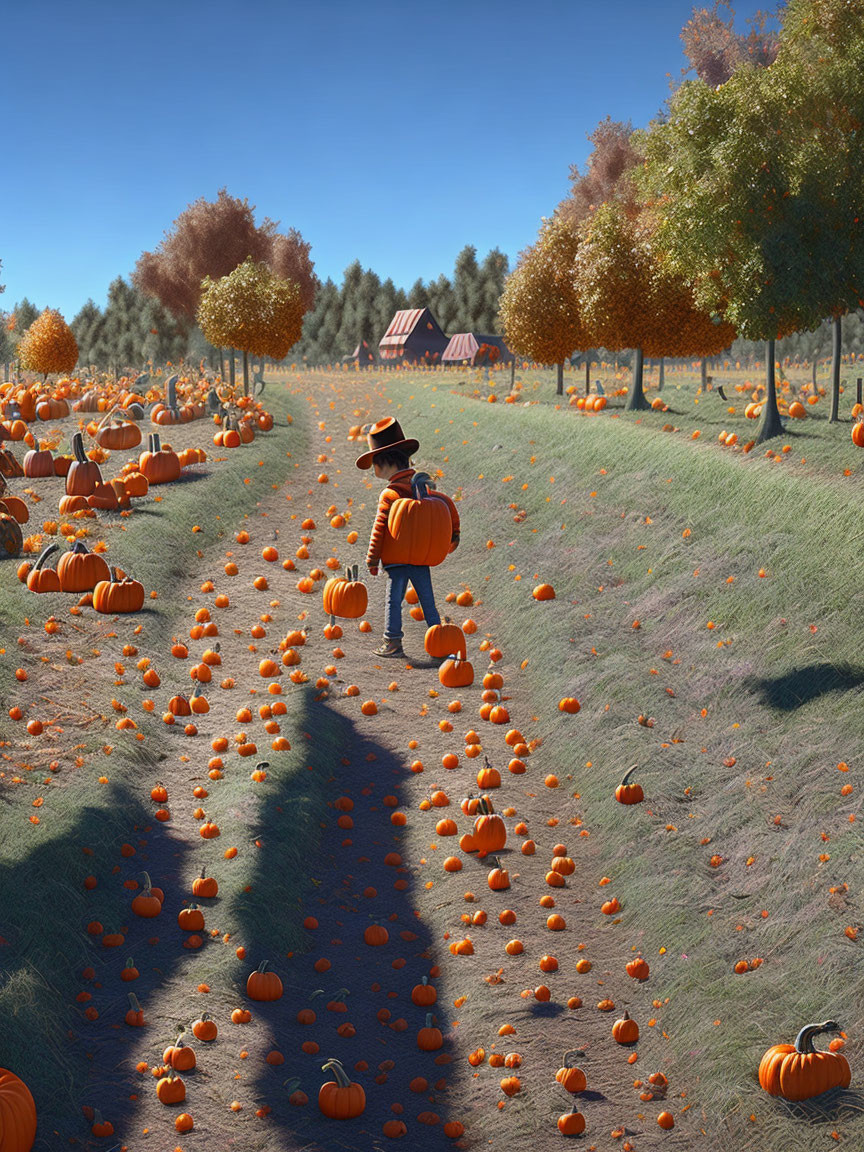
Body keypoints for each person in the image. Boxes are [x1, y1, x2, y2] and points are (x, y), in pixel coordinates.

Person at [356, 417, 460, 658]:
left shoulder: (390, 493)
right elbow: (445, 504)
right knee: (428, 601)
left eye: (375, 464)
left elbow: (380, 527)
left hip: (397, 560)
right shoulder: (422, 489)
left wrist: (372, 559)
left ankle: (392, 642)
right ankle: (440, 643)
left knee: (394, 601)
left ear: (387, 462)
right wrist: (454, 534)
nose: (374, 470)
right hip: (422, 558)